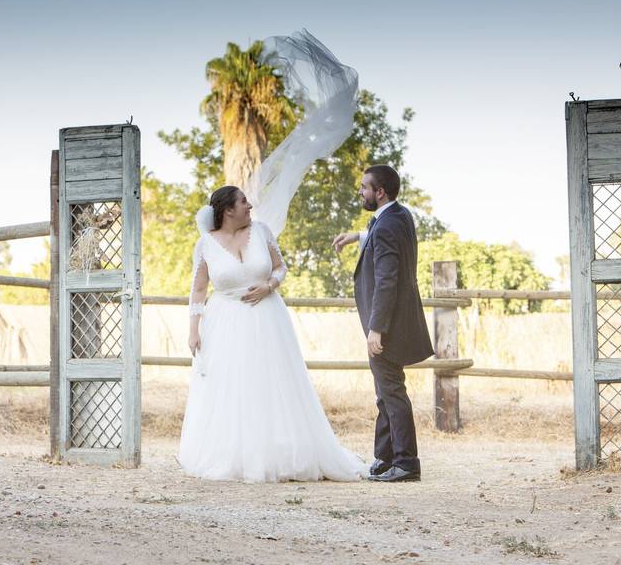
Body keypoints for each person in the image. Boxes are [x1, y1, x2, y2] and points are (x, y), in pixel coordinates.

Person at [178, 185, 366, 483]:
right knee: (233, 385)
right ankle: (236, 455)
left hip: (267, 317)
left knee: (271, 381)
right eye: (243, 202)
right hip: (225, 321)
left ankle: (278, 453)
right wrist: (193, 330)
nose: (249, 206)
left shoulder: (262, 231)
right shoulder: (205, 245)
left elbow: (280, 267)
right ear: (228, 210)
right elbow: (198, 288)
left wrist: (269, 286)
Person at [333, 165, 434, 482]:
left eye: (364, 187)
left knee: (391, 392)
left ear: (380, 192)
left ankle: (405, 463)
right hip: (396, 321)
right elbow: (382, 234)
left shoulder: (388, 225)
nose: (360, 192)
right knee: (385, 392)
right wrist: (358, 235)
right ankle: (385, 458)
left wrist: (376, 328)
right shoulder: (398, 216)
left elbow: (387, 281)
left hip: (387, 325)